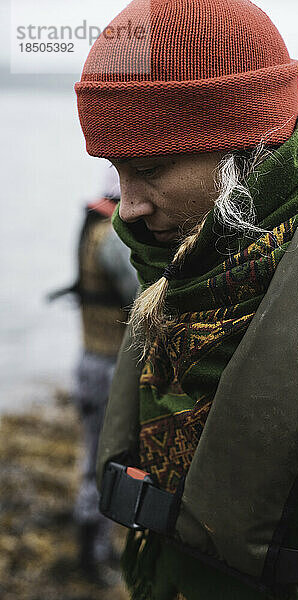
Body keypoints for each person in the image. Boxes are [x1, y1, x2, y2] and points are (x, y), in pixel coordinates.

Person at [74, 1, 298, 598]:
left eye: (150, 167)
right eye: (117, 169)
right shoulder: (173, 270)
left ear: (245, 142)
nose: (129, 206)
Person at [52, 167, 139, 575]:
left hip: (88, 361)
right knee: (107, 462)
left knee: (92, 457)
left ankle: (92, 545)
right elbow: (141, 299)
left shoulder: (88, 230)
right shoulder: (113, 239)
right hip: (109, 369)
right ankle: (94, 555)